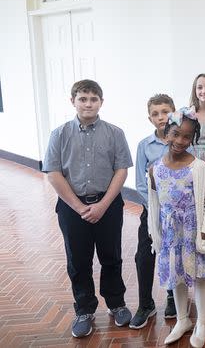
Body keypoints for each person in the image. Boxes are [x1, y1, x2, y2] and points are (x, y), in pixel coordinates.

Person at [42, 79, 133, 338]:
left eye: (93, 99)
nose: (88, 103)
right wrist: (80, 207)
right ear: (73, 101)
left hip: (108, 204)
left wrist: (103, 205)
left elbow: (121, 170)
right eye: (83, 99)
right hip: (72, 207)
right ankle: (84, 309)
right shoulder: (59, 134)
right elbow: (54, 173)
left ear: (101, 102)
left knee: (111, 256)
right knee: (78, 261)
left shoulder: (115, 133)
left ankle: (116, 303)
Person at [147, 107, 205, 347]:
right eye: (175, 134)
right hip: (170, 233)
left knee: (199, 276)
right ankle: (183, 319)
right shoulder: (155, 168)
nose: (180, 141)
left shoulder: (199, 167)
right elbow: (154, 204)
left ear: (192, 139)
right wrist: (155, 234)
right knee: (176, 276)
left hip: (193, 231)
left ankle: (202, 323)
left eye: (186, 137)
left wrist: (204, 233)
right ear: (166, 133)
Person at [131, 94, 183, 329]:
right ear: (149, 118)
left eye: (165, 112)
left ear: (174, 112)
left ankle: (173, 297)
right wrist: (154, 207)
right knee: (145, 254)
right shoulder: (144, 145)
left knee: (173, 253)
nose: (161, 117)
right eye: (155, 113)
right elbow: (140, 184)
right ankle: (145, 303)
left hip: (179, 211)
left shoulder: (183, 141)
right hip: (152, 211)